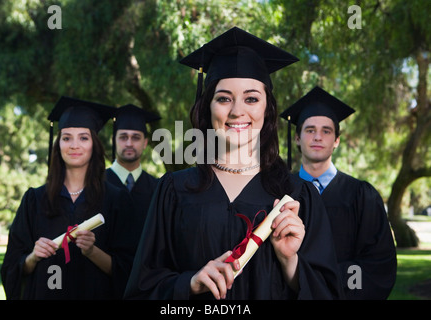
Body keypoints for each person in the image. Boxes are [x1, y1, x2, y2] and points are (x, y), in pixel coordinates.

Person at [124, 27, 342, 300]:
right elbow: (141, 291)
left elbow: (330, 294)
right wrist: (189, 284)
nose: (238, 111)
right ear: (208, 107)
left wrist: (290, 262)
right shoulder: (173, 191)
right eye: (224, 98)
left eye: (251, 98)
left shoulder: (297, 196)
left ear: (267, 108)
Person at [1, 96, 136, 299]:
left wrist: (92, 251)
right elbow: (12, 268)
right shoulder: (34, 200)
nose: (74, 145)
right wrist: (33, 256)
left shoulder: (116, 200)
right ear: (58, 145)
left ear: (94, 145)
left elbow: (130, 271)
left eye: (83, 137)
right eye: (66, 138)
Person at [280, 86, 397, 299]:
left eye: (326, 131)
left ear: (336, 141)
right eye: (309, 130)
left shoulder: (362, 196)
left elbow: (377, 265)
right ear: (297, 138)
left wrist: (328, 281)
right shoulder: (279, 193)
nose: (318, 137)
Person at [106, 104, 161, 247]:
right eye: (123, 137)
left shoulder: (157, 188)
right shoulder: (95, 183)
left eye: (135, 138)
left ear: (145, 143)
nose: (129, 143)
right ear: (114, 140)